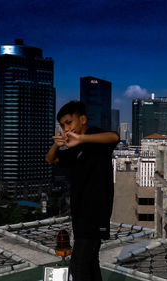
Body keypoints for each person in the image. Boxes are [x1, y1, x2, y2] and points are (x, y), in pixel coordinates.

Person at [46, 101, 119, 281]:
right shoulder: (73, 147)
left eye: (69, 123)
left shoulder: (94, 136)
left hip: (95, 211)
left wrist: (81, 139)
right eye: (62, 125)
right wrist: (57, 144)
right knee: (90, 262)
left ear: (83, 119)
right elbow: (51, 159)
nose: (66, 128)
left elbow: (114, 137)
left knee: (78, 267)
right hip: (80, 213)